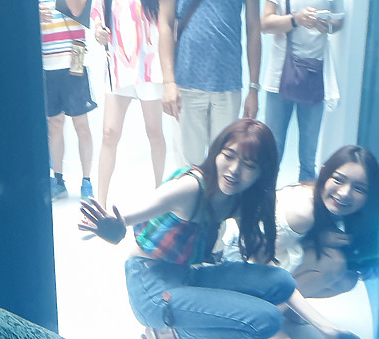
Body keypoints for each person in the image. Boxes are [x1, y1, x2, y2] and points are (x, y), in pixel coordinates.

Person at [80, 119, 293, 339]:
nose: (234, 170)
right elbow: (131, 216)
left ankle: (191, 332)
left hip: (187, 275)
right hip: (151, 287)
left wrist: (328, 329)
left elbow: (263, 262)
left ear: (262, 173)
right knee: (268, 320)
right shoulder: (190, 188)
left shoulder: (240, 199)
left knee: (282, 282)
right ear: (216, 153)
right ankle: (181, 334)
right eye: (228, 156)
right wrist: (114, 227)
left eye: (249, 165)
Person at [223, 145, 379, 339]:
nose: (345, 193)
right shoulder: (304, 210)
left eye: (359, 188)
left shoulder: (338, 210)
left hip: (273, 256)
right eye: (338, 180)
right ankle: (267, 317)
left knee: (347, 277)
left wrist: (317, 238)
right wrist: (324, 325)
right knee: (333, 265)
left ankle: (284, 308)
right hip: (239, 264)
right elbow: (258, 259)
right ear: (324, 172)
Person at [158, 0, 262, 166]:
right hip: (186, 83)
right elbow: (165, 22)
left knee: (224, 162)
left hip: (228, 83)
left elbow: (254, 26)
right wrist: (168, 82)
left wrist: (254, 88)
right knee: (188, 167)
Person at [91, 0, 166, 206]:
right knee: (109, 133)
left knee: (154, 132)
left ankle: (159, 197)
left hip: (150, 63)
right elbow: (98, 19)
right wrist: (99, 33)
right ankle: (101, 204)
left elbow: (168, 19)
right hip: (118, 65)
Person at [261, 0, 343, 183]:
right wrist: (296, 19)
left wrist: (327, 26)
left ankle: (304, 208)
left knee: (308, 159)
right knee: (273, 152)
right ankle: (262, 205)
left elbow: (339, 21)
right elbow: (265, 24)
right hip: (279, 78)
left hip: (314, 78)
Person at [40, 0, 98, 201]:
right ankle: (58, 180)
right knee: (54, 124)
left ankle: (87, 180)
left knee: (81, 123)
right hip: (48, 60)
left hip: (76, 53)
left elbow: (79, 10)